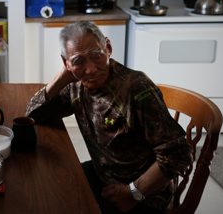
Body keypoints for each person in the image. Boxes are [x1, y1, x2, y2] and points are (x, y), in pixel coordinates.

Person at [25, 21, 193, 214]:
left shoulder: (137, 89)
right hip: (104, 174)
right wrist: (65, 75)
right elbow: (33, 115)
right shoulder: (76, 85)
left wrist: (134, 193)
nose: (91, 69)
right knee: (47, 191)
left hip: (145, 194)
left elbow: (178, 154)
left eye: (97, 55)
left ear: (108, 48)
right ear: (66, 63)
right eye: (79, 61)